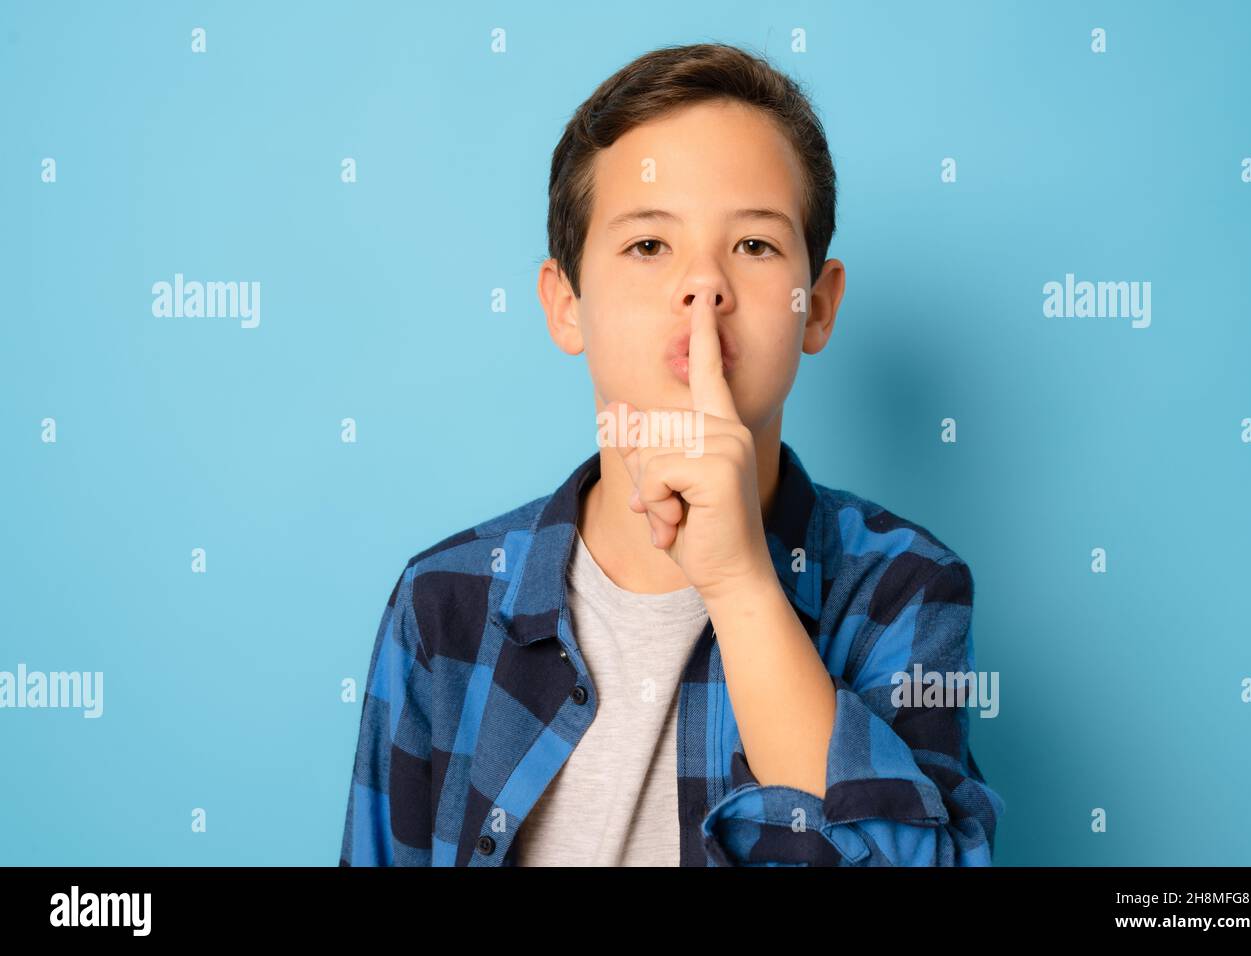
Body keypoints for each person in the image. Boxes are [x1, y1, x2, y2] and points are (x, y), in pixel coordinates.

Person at [340, 41, 1003, 867]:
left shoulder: (904, 589)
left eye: (755, 246)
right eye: (649, 246)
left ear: (819, 307)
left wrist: (740, 583)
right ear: (566, 304)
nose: (704, 286)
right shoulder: (444, 604)